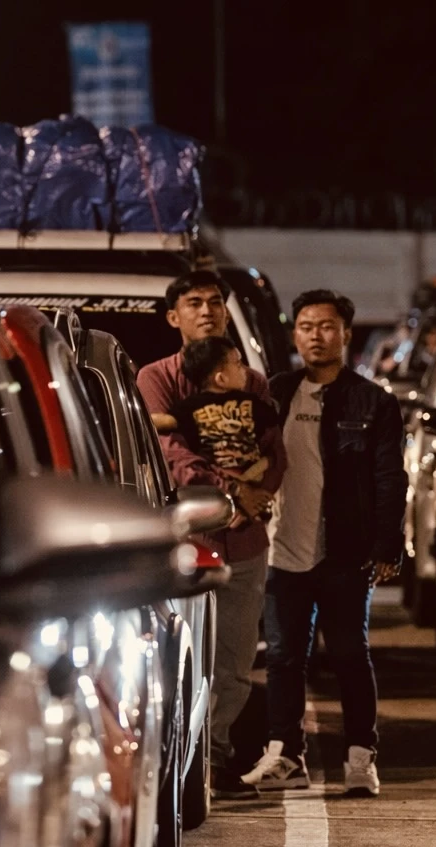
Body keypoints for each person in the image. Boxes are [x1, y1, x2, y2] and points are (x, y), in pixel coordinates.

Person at [241, 289, 405, 797]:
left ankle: (361, 756)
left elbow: (388, 478)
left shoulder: (373, 402)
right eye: (307, 326)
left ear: (346, 334)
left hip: (345, 550)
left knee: (351, 653)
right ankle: (285, 754)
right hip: (281, 546)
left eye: (327, 326)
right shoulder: (275, 393)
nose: (317, 335)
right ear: (295, 335)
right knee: (284, 656)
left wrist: (386, 545)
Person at [137, 270, 285, 800]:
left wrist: (256, 495)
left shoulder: (251, 380)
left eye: (215, 302)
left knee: (235, 661)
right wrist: (230, 491)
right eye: (194, 303)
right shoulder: (156, 378)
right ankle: (178, 760)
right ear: (173, 317)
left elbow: (273, 447)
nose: (207, 311)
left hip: (246, 540)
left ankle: (215, 759)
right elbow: (171, 456)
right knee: (180, 656)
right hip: (189, 541)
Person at [158, 337, 280, 522]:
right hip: (223, 479)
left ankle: (244, 509)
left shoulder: (191, 407)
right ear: (221, 378)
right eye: (238, 365)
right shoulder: (248, 403)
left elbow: (166, 421)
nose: (244, 371)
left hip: (248, 475)